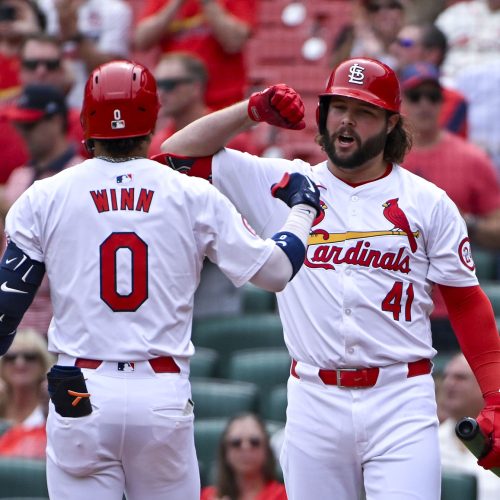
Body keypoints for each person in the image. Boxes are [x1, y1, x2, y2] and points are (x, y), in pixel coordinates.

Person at [160, 57, 500, 499]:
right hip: (314, 397)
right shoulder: (284, 183)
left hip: (401, 395)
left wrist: (494, 396)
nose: (347, 121)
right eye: (338, 107)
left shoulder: (427, 202)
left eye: (364, 111)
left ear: (391, 123)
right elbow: (171, 158)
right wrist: (251, 109)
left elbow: (467, 301)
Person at [0, 59, 321, 500]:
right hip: (160, 387)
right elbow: (276, 272)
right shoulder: (190, 193)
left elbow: (6, 312)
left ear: (84, 120)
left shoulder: (44, 195)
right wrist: (302, 211)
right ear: (153, 117)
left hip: (79, 387)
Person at [399, 62, 500, 351]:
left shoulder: (472, 159)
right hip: (392, 304)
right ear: (402, 102)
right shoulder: (379, 158)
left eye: (433, 97)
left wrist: (465, 223)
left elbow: (497, 226)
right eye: (416, 96)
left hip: (451, 306)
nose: (425, 105)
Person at [0, 83, 84, 336]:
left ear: (56, 120)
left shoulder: (80, 175)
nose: (22, 133)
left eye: (30, 125)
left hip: (61, 321)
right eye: (19, 125)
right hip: (15, 314)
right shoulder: (19, 176)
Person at [134, 0, 257, 110]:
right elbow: (141, 40)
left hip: (223, 99)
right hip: (178, 99)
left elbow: (234, 42)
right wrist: (175, 4)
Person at [37, 0, 133, 108]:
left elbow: (111, 72)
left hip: (97, 104)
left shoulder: (115, 9)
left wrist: (76, 35)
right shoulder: (42, 6)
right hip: (48, 103)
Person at [438, 353, 500, 500]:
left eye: (460, 377)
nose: (449, 383)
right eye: (446, 376)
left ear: (486, 385)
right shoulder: (429, 440)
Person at [390, 22, 468, 138]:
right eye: (414, 96)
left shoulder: (453, 96)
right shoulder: (389, 87)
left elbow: (425, 139)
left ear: (431, 54)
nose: (393, 49)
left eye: (405, 43)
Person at [201, 413, 287, 500]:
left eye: (254, 442)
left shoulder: (285, 495)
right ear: (225, 451)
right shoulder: (207, 496)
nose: (245, 447)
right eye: (236, 443)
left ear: (266, 449)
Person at [0, 328, 54, 459]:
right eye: (11, 357)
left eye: (29, 357)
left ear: (43, 363)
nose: (20, 363)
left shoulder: (52, 409)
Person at [330, 0, 406, 70]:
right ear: (368, 14)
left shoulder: (412, 40)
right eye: (375, 8)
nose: (383, 12)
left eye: (392, 6)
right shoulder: (353, 41)